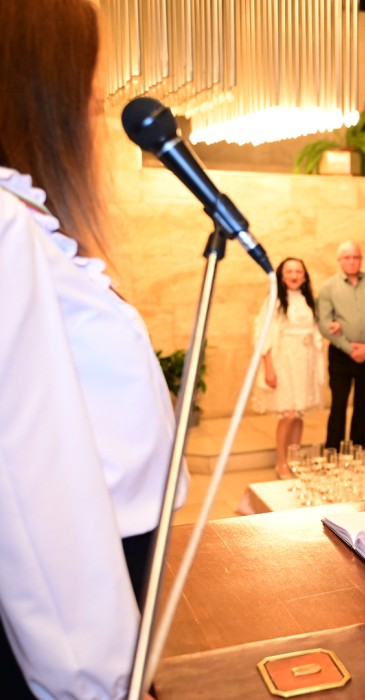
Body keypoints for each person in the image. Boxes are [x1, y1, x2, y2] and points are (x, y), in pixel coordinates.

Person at [0, 1, 188, 696]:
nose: (95, 106)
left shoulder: (27, 221)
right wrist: (102, 682)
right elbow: (27, 488)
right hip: (73, 621)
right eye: (86, 82)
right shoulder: (7, 229)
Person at [254, 258, 325, 479]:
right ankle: (281, 462)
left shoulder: (308, 300)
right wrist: (268, 367)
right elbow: (262, 333)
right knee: (288, 414)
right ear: (281, 275)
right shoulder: (274, 301)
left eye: (298, 271)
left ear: (304, 276)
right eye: (289, 271)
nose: (294, 275)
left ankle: (295, 461)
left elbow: (315, 330)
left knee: (299, 414)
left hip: (306, 361)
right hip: (284, 361)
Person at [317, 241, 365, 450]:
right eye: (347, 257)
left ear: (361, 259)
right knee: (338, 404)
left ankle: (357, 450)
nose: (352, 261)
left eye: (356, 257)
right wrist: (349, 349)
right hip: (341, 355)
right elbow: (324, 323)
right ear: (339, 261)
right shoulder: (328, 287)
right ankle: (333, 450)